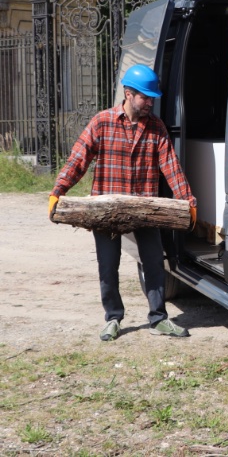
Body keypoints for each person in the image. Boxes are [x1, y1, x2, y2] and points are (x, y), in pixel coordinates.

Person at [48, 64, 197, 341]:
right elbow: (78, 159)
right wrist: (59, 191)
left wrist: (187, 200)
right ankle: (113, 318)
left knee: (154, 262)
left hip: (144, 209)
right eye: (145, 97)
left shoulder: (156, 127)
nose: (150, 102)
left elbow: (170, 166)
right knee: (108, 266)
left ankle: (158, 318)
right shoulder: (102, 122)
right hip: (106, 210)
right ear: (128, 94)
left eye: (152, 98)